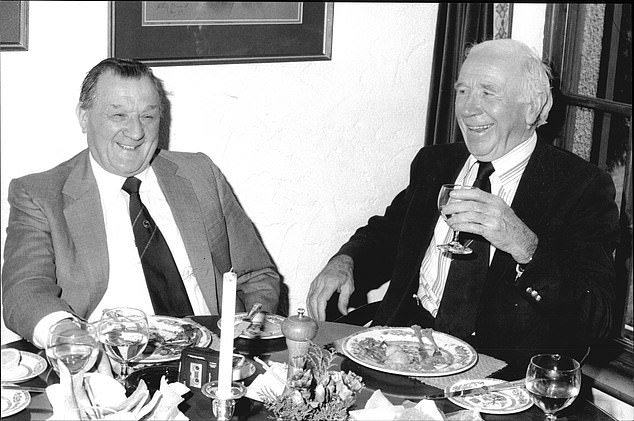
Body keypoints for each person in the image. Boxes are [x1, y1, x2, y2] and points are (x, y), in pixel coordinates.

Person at [307, 39, 619, 367]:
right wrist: (347, 261)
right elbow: (389, 233)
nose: (469, 109)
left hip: (497, 377)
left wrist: (526, 247)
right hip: (401, 353)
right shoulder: (435, 163)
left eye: (488, 92)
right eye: (462, 91)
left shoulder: (581, 187)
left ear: (533, 105)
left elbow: (598, 317)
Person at [2, 57, 281, 349]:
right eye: (119, 115)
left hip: (211, 359)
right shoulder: (40, 195)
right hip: (109, 367)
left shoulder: (200, 175)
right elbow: (24, 290)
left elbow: (256, 275)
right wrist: (68, 337)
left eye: (147, 117)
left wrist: (252, 328)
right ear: (84, 116)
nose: (136, 132)